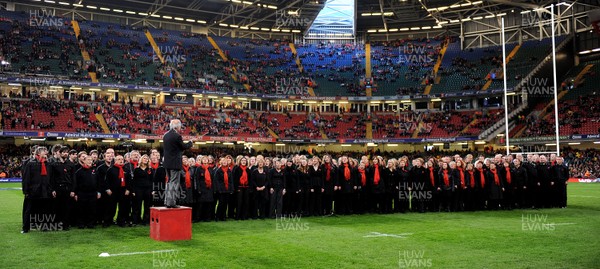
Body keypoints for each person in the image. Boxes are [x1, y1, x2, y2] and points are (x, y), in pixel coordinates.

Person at [22, 146, 53, 233]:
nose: (46, 152)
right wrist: (26, 191)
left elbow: (50, 178)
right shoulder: (30, 163)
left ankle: (44, 226)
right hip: (33, 191)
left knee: (44, 209)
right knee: (29, 210)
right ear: (39, 153)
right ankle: (25, 228)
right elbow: (26, 178)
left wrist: (49, 189)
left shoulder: (48, 164)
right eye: (44, 151)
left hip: (44, 191)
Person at [162, 119, 193, 208]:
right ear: (178, 126)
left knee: (169, 182)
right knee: (174, 183)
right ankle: (171, 202)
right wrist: (190, 143)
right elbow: (183, 146)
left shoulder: (166, 135)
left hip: (167, 163)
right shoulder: (177, 136)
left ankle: (167, 201)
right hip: (175, 163)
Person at [50, 146, 74, 231]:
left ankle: (65, 225)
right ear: (59, 153)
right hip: (58, 189)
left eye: (67, 152)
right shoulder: (54, 165)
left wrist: (72, 190)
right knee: (57, 207)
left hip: (67, 189)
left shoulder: (71, 164)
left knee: (66, 207)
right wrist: (52, 189)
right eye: (64, 152)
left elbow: (73, 178)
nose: (66, 153)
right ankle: (56, 224)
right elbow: (52, 178)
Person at [73, 155, 101, 229]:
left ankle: (90, 224)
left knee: (92, 209)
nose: (90, 161)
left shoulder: (95, 170)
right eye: (88, 160)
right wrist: (76, 193)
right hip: (82, 193)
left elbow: (98, 182)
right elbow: (76, 183)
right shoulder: (79, 172)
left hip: (93, 193)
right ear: (84, 161)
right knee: (81, 209)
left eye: (91, 160)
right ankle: (81, 224)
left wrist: (98, 192)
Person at [132, 154, 153, 226]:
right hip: (138, 189)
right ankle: (136, 220)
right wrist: (133, 191)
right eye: (144, 158)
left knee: (147, 206)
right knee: (137, 205)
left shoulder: (150, 169)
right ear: (141, 159)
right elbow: (134, 181)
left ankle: (146, 221)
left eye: (147, 159)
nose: (146, 159)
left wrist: (152, 190)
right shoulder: (137, 169)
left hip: (148, 189)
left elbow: (152, 180)